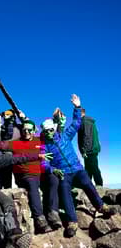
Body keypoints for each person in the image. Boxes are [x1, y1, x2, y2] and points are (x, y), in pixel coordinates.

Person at [41, 94, 116, 237]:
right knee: (64, 191)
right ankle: (72, 222)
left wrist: (77, 107)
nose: (49, 133)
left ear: (54, 128)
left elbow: (76, 122)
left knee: (87, 182)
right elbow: (44, 163)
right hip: (64, 173)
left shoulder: (65, 136)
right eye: (46, 131)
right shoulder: (45, 147)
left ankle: (101, 207)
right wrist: (53, 169)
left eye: (50, 130)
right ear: (44, 132)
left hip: (77, 168)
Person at [0, 119, 62, 234]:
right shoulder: (16, 142)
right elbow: (1, 146)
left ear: (34, 130)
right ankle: (40, 219)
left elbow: (52, 134)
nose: (26, 132)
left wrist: (59, 123)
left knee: (54, 179)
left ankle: (53, 213)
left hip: (41, 172)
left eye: (29, 130)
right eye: (24, 129)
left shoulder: (39, 140)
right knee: (33, 186)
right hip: (25, 174)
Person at [78, 108, 103, 186]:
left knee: (93, 168)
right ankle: (89, 185)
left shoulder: (85, 121)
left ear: (80, 113)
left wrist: (84, 150)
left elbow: (86, 136)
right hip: (92, 148)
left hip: (89, 149)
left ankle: (99, 186)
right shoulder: (88, 121)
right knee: (89, 168)